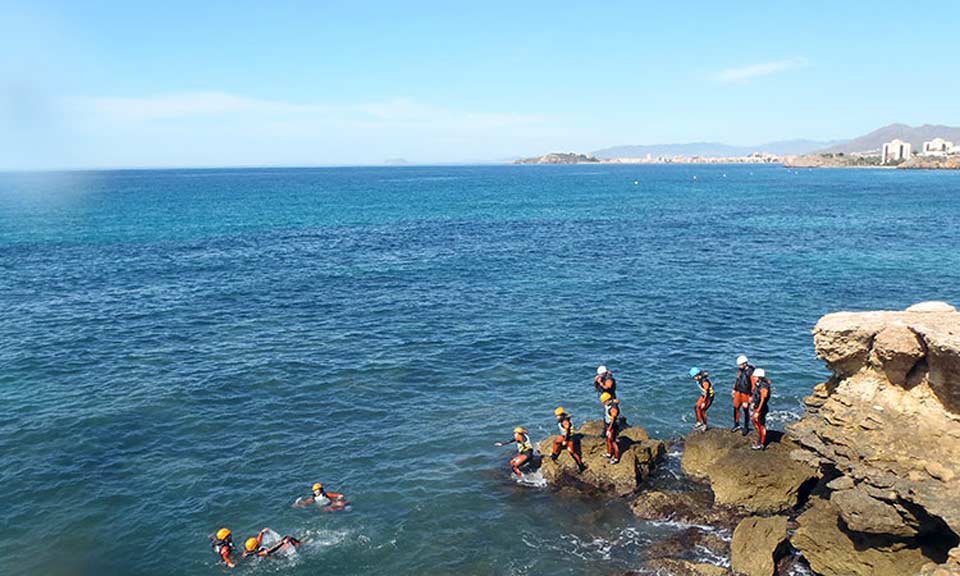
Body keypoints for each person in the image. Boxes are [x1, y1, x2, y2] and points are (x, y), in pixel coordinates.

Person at [550, 407, 586, 473]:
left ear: (561, 415)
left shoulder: (565, 421)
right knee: (556, 442)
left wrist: (565, 440)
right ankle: (554, 456)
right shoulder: (563, 419)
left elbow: (567, 431)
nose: (556, 417)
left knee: (572, 452)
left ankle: (581, 466)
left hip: (570, 437)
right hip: (564, 436)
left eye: (558, 416)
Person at [731, 355, 756, 436]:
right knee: (735, 407)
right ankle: (736, 424)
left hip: (746, 393)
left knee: (745, 409)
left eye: (740, 364)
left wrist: (751, 396)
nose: (739, 366)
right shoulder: (740, 370)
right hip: (739, 391)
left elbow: (753, 385)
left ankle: (746, 426)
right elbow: (737, 380)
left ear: (745, 363)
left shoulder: (751, 372)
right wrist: (734, 389)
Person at [751, 369, 772, 450]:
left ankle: (761, 443)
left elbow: (763, 400)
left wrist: (758, 411)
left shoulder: (763, 387)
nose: (753, 377)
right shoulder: (759, 384)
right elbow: (756, 395)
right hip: (757, 406)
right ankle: (760, 438)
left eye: (755, 376)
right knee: (755, 421)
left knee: (761, 424)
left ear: (759, 377)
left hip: (761, 408)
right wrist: (753, 402)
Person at [601, 392, 621, 464]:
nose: (603, 403)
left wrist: (609, 429)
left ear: (607, 400)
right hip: (608, 424)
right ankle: (609, 454)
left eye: (604, 401)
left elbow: (613, 419)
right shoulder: (609, 403)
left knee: (613, 441)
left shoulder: (613, 408)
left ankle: (616, 458)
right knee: (609, 440)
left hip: (612, 426)